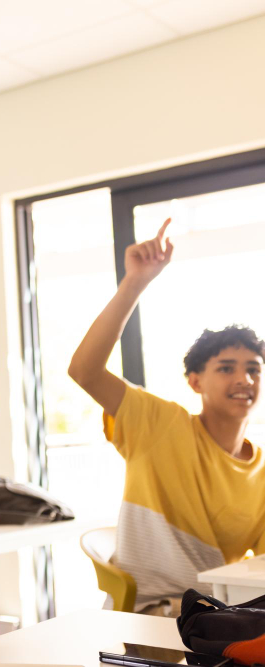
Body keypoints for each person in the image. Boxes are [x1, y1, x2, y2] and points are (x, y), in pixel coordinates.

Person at [68, 218, 265, 616]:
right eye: (226, 368)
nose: (243, 379)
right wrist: (135, 283)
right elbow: (84, 371)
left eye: (254, 369)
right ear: (195, 381)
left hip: (220, 615)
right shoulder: (160, 423)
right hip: (152, 614)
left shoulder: (261, 470)